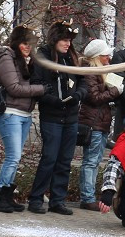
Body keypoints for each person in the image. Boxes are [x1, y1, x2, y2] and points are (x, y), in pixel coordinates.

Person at [28, 22, 87, 215]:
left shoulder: (72, 59)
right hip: (52, 116)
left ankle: (57, 200)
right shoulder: (42, 57)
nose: (68, 44)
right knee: (49, 158)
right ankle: (36, 198)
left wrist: (78, 94)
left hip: (70, 117)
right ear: (55, 39)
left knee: (65, 160)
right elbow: (37, 84)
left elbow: (84, 80)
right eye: (64, 40)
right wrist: (53, 100)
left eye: (69, 40)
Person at [0, 25, 45, 213]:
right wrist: (41, 89)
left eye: (30, 44)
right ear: (16, 42)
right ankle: (0, 196)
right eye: (24, 43)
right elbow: (14, 88)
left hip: (23, 114)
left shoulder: (25, 60)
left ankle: (7, 194)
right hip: (10, 113)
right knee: (13, 157)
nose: (28, 47)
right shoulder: (7, 58)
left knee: (16, 157)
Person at [78, 39, 123, 210]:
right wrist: (114, 91)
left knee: (95, 160)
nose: (108, 59)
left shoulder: (100, 72)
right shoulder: (90, 72)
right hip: (93, 122)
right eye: (105, 56)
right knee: (91, 161)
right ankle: (87, 197)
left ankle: (89, 195)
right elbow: (94, 98)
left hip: (100, 122)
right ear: (97, 57)